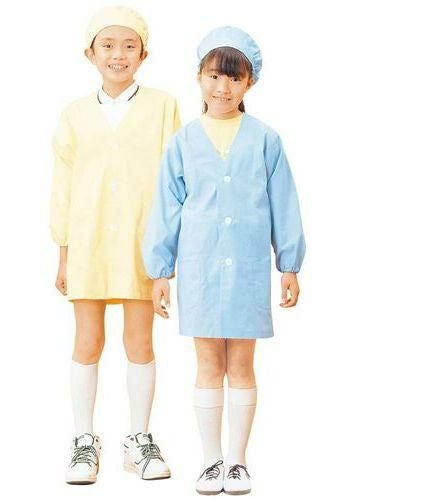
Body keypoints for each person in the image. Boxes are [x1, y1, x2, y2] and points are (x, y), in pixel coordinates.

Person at [143, 26, 305, 495]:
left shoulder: (266, 140)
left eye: (235, 78)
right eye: (214, 75)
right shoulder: (183, 142)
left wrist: (289, 264)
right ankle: (211, 460)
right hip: (200, 268)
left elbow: (284, 203)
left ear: (250, 82)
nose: (223, 87)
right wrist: (160, 272)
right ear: (199, 77)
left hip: (249, 269)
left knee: (243, 365)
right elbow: (166, 207)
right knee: (209, 363)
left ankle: (237, 461)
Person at [50, 5, 180, 485]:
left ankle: (138, 440)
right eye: (107, 45)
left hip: (142, 242)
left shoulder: (163, 107)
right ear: (90, 53)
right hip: (87, 243)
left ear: (144, 54)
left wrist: (167, 257)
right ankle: (84, 440)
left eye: (129, 45)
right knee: (88, 341)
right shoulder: (74, 115)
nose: (118, 54)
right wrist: (63, 253)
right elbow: (63, 188)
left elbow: (175, 182)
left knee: (139, 341)